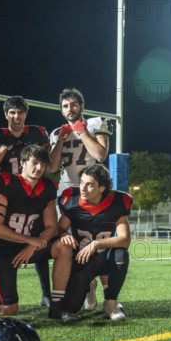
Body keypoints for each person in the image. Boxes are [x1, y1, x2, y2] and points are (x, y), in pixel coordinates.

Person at [0, 95, 54, 308]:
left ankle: (48, 294)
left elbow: (47, 165)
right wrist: (3, 148)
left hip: (34, 194)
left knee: (43, 235)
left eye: (20, 112)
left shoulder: (37, 134)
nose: (17, 116)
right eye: (12, 112)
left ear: (26, 115)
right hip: (8, 193)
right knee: (2, 236)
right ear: (6, 115)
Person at [0, 145, 74, 321]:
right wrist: (30, 240)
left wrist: (32, 245)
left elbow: (51, 226)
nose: (39, 168)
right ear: (22, 163)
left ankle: (57, 305)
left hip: (29, 246)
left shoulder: (47, 188)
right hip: (3, 249)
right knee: (8, 310)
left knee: (63, 246)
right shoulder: (6, 183)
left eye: (42, 164)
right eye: (34, 162)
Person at [48, 87, 114, 311]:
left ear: (82, 106)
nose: (70, 109)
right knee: (68, 241)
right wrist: (61, 139)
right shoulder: (57, 132)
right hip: (67, 192)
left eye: (74, 104)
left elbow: (100, 155)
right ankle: (82, 286)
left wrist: (81, 131)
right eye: (65, 106)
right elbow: (53, 166)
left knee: (97, 240)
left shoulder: (97, 123)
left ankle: (109, 296)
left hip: (94, 191)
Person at [58, 164, 132, 320]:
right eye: (82, 182)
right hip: (81, 258)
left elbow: (125, 239)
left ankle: (110, 303)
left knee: (120, 255)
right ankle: (88, 286)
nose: (83, 188)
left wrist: (97, 244)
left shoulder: (117, 202)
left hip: (105, 257)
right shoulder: (71, 201)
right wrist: (63, 234)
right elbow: (59, 229)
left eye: (90, 184)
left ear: (102, 188)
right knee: (70, 310)